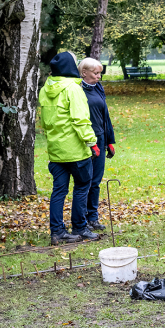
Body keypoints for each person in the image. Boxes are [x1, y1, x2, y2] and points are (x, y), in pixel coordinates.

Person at [39, 52, 100, 245]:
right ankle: (80, 227)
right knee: (82, 187)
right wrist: (92, 143)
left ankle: (57, 231)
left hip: (56, 150)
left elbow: (44, 121)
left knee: (59, 190)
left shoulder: (45, 90)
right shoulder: (73, 90)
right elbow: (80, 120)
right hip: (75, 150)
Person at [78, 57, 116, 232]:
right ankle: (82, 219)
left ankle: (92, 217)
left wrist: (110, 140)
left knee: (96, 181)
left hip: (100, 139)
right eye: (95, 73)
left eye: (100, 73)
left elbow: (105, 116)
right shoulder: (77, 90)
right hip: (86, 141)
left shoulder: (98, 88)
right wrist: (90, 142)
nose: (99, 76)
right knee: (85, 181)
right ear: (84, 72)